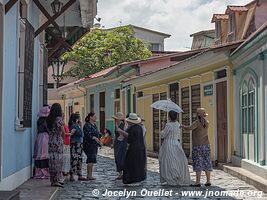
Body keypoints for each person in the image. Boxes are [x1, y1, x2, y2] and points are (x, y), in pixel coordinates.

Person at [180, 108, 212, 187]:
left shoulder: (196, 123)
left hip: (197, 146)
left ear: (197, 115)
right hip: (206, 145)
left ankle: (197, 182)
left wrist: (182, 126)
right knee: (207, 162)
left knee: (198, 163)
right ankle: (208, 181)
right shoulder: (207, 123)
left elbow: (189, 129)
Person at [159, 110, 191, 186]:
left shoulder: (168, 125)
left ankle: (171, 177)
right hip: (176, 143)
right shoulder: (178, 124)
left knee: (169, 161)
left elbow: (163, 135)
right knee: (177, 160)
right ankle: (177, 176)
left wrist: (162, 129)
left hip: (168, 144)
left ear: (169, 116)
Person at [116, 113, 146, 185]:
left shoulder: (133, 128)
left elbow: (130, 138)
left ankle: (132, 179)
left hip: (134, 149)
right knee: (138, 164)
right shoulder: (139, 127)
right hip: (140, 148)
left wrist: (121, 131)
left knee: (131, 164)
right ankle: (138, 179)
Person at [46, 103, 65, 187]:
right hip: (57, 142)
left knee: (52, 161)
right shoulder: (59, 119)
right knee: (58, 161)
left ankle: (53, 180)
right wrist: (63, 138)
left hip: (51, 141)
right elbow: (63, 131)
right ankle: (57, 180)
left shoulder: (49, 119)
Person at [33, 106, 50, 179]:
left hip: (39, 137)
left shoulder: (39, 120)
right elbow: (48, 130)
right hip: (45, 138)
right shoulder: (45, 122)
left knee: (39, 154)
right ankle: (44, 172)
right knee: (44, 154)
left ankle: (38, 172)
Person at [83, 112, 101, 180]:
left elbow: (97, 133)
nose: (96, 117)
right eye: (94, 116)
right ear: (90, 117)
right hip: (88, 144)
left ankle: (90, 174)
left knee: (93, 159)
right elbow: (87, 135)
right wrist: (94, 138)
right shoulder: (87, 125)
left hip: (94, 145)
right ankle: (89, 175)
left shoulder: (94, 125)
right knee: (90, 159)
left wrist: (99, 139)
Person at [69, 113, 87, 181]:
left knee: (79, 159)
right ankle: (72, 175)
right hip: (75, 145)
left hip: (79, 144)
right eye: (79, 117)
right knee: (74, 159)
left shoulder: (77, 125)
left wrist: (81, 126)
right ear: (77, 118)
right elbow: (72, 133)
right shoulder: (73, 125)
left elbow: (82, 134)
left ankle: (79, 174)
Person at [112, 112, 127, 180]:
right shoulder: (116, 124)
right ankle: (119, 173)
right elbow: (115, 135)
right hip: (117, 143)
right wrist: (113, 142)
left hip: (122, 143)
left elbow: (124, 135)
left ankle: (123, 173)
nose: (115, 120)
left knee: (121, 157)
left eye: (116, 118)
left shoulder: (123, 125)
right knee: (117, 157)